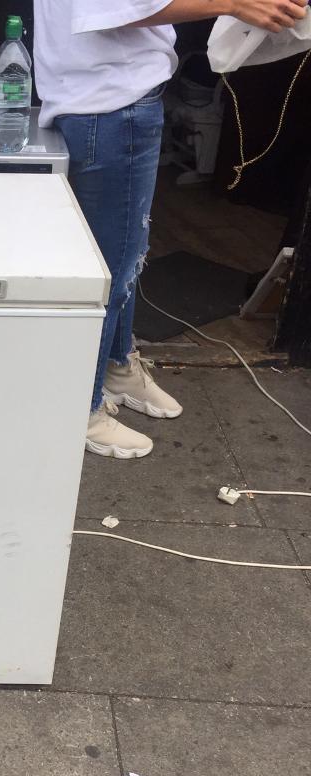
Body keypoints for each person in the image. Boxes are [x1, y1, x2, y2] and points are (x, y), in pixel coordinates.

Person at [33, 0, 308, 458]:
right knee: (108, 266)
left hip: (117, 98)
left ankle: (117, 366)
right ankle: (78, 406)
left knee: (127, 253)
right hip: (108, 104)